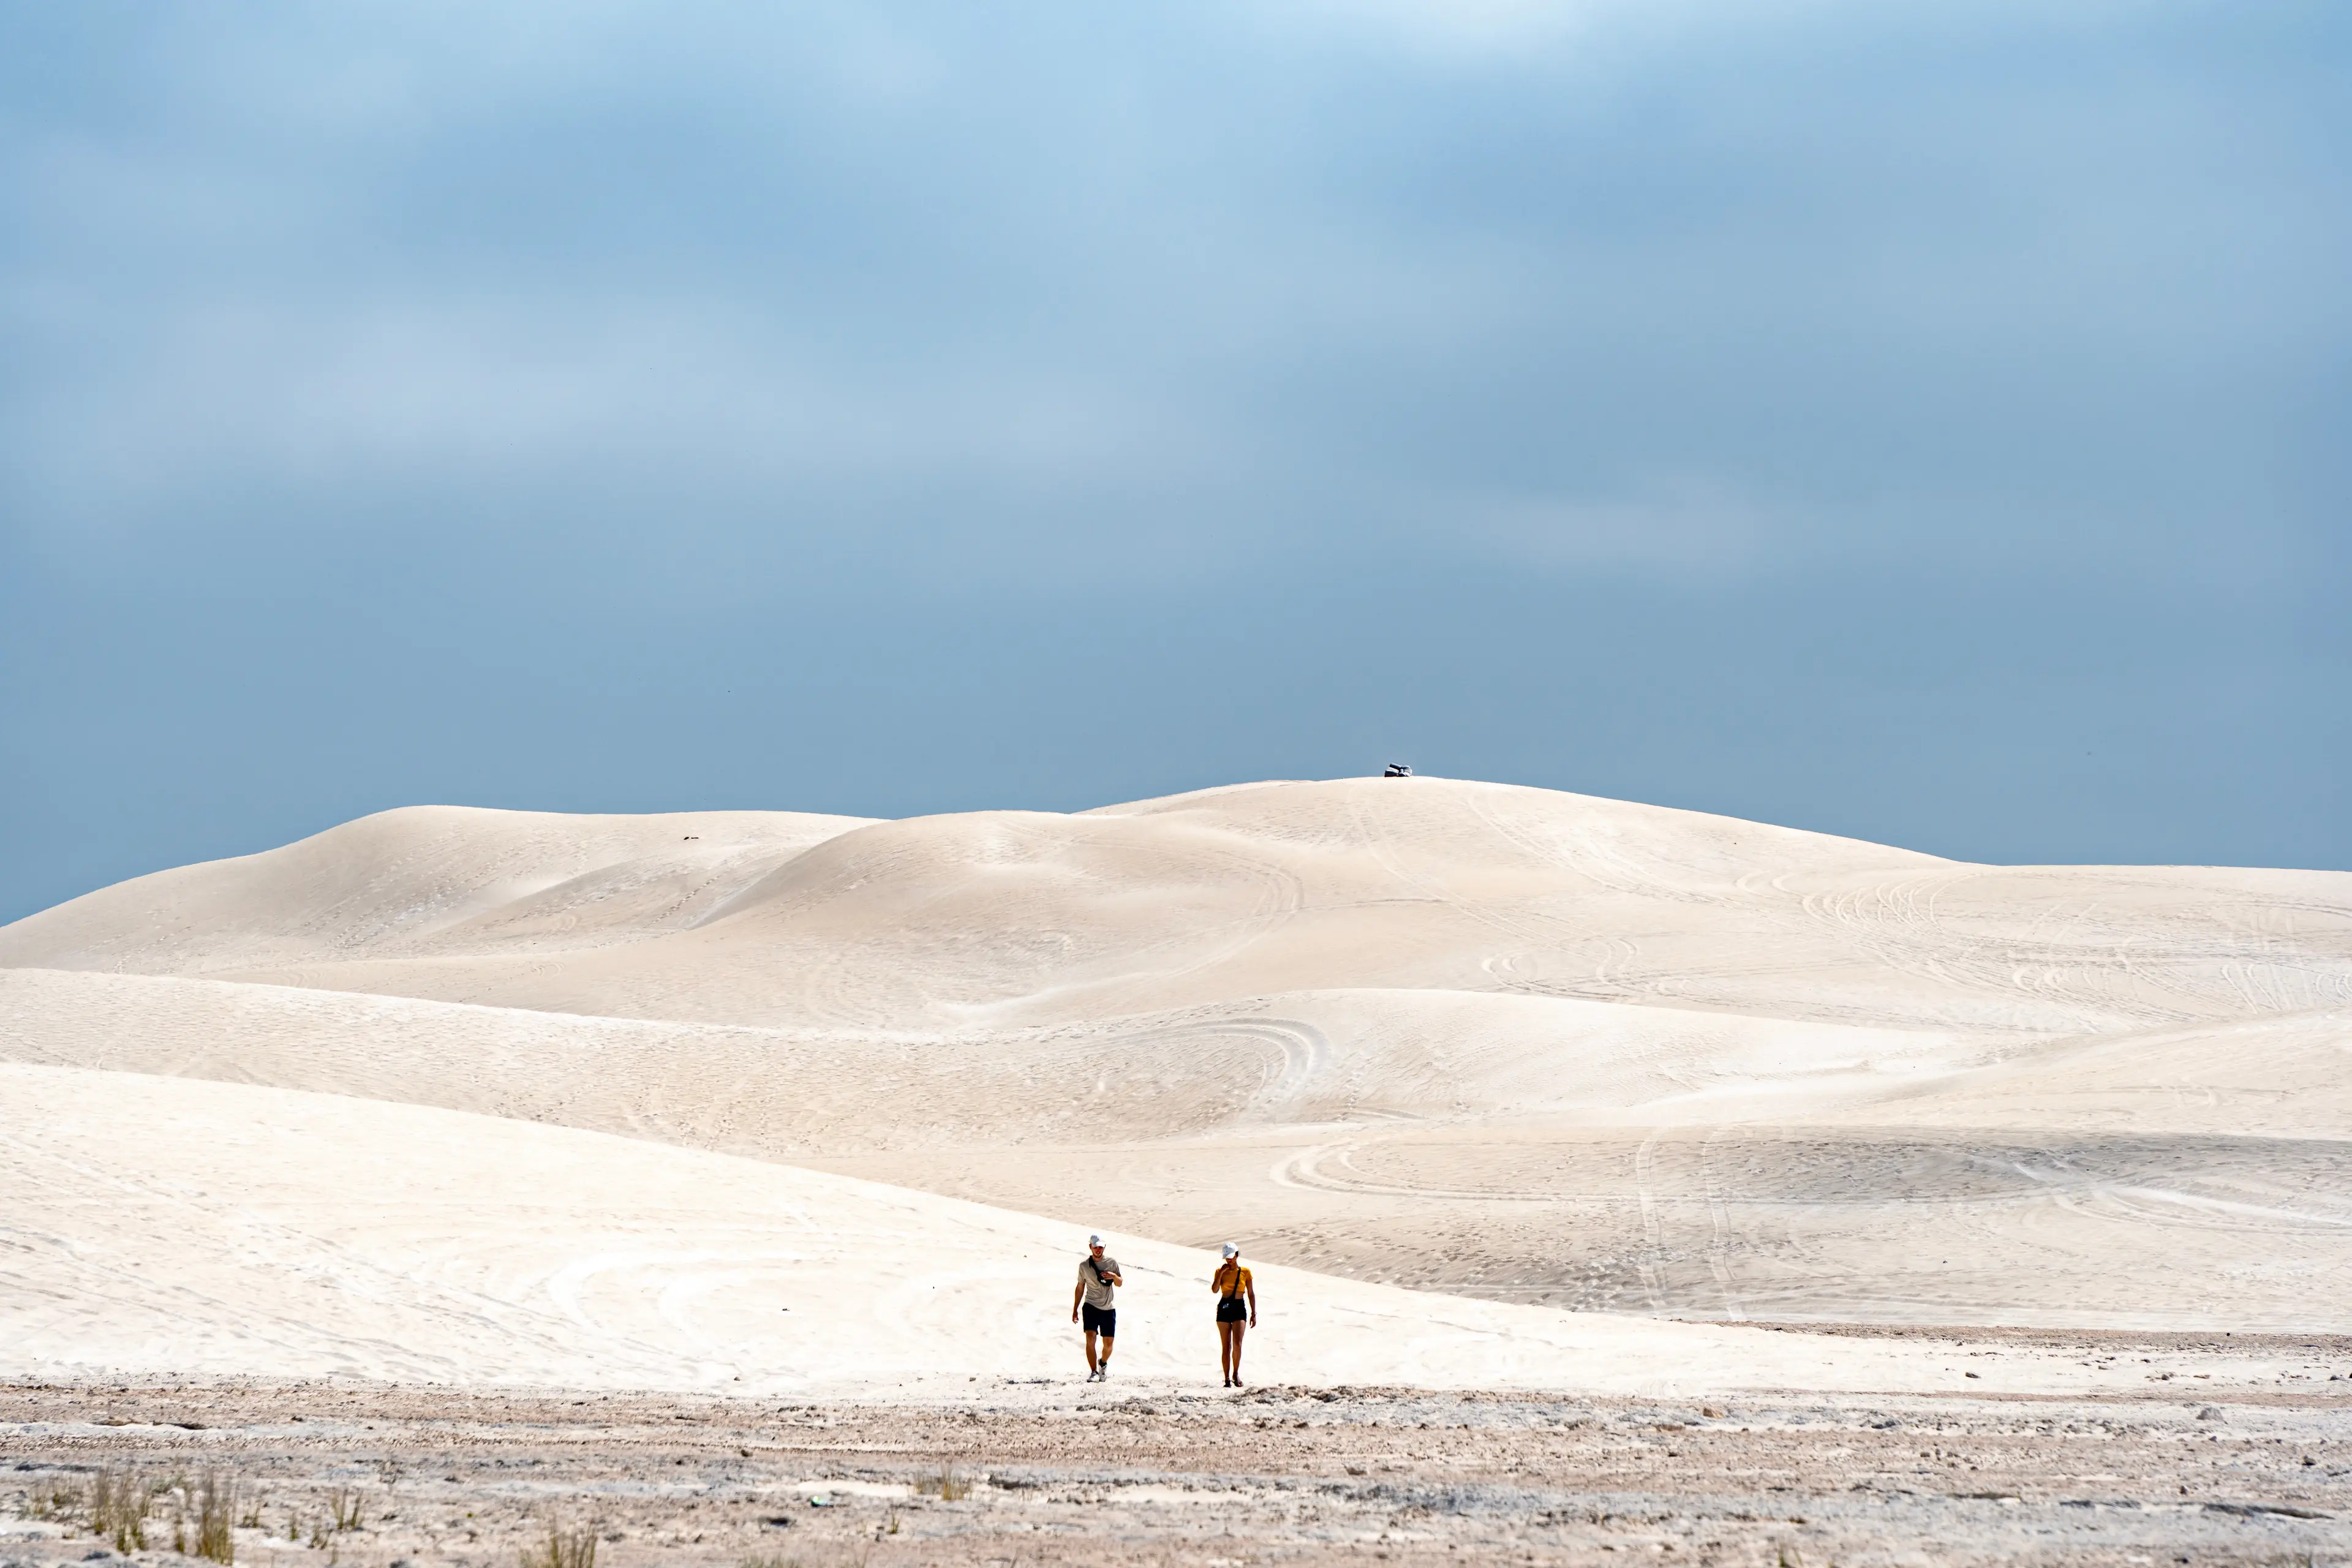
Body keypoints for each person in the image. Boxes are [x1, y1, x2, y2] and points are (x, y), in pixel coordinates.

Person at [1071, 1233, 1123, 1381]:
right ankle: (1094, 1372)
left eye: (1100, 1247)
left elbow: (1119, 1283)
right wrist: (1075, 1309)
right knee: (1090, 1337)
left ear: (1104, 1247)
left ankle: (1103, 1363)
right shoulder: (1084, 1266)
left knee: (1108, 1344)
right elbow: (1080, 1287)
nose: (1098, 1249)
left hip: (1108, 1308)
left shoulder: (1112, 1263)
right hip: (1091, 1305)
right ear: (1090, 1247)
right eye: (1095, 1247)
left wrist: (1114, 1276)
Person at [1211, 1242, 1256, 1387]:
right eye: (1227, 1257)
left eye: (1231, 1257)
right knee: (1226, 1345)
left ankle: (1235, 1373)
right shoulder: (1220, 1271)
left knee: (1237, 1344)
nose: (1229, 1260)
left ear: (1237, 1255)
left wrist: (1253, 1313)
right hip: (1224, 1307)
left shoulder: (1245, 1272)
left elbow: (1251, 1294)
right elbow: (1215, 1289)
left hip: (1239, 1307)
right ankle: (1227, 1379)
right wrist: (1221, 1274)